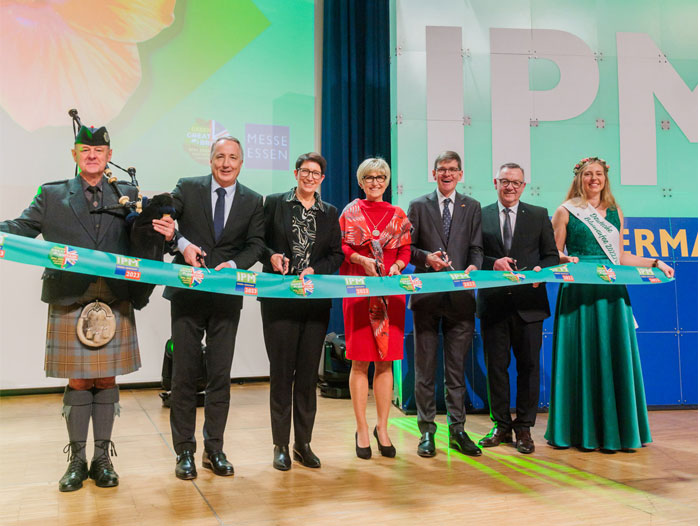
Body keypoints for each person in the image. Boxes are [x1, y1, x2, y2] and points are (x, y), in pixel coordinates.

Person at [0, 125, 174, 492]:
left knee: (107, 379)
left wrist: (169, 232)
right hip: (70, 298)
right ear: (74, 154)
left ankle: (102, 459)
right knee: (78, 380)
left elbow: (150, 237)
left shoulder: (128, 195)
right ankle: (77, 460)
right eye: (85, 149)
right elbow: (22, 226)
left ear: (109, 156)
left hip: (115, 297)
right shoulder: (52, 194)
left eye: (99, 150)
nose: (92, 155)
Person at [544, 157, 674, 451]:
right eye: (588, 174)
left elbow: (621, 256)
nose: (594, 179)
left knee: (612, 353)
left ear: (605, 178)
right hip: (579, 289)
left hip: (611, 290)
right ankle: (578, 432)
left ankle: (618, 432)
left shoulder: (615, 212)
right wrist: (565, 258)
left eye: (599, 174)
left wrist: (655, 262)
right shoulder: (566, 211)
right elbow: (553, 253)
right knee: (581, 355)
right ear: (579, 178)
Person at [164, 136, 264, 479]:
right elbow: (166, 222)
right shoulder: (187, 187)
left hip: (226, 299)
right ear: (210, 160)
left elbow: (256, 244)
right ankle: (184, 452)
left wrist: (235, 265)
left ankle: (214, 449)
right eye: (220, 156)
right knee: (184, 375)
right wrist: (182, 243)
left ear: (241, 163)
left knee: (220, 376)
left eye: (232, 157)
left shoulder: (253, 200)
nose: (226, 163)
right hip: (187, 295)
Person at [259, 152, 344, 471]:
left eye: (316, 173)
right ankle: (280, 444)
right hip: (279, 300)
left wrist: (315, 270)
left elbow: (336, 254)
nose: (310, 177)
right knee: (282, 374)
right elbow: (258, 243)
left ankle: (303, 444)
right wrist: (271, 257)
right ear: (296, 173)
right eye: (305, 171)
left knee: (308, 376)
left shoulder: (329, 212)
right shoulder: (274, 203)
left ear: (322, 179)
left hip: (314, 302)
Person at [476, 163, 559, 454]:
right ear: (495, 182)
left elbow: (551, 256)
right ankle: (500, 425)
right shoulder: (480, 214)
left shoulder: (538, 214)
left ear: (523, 186)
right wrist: (492, 263)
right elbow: (473, 255)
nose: (510, 187)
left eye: (516, 182)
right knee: (496, 368)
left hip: (530, 306)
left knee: (529, 368)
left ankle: (524, 428)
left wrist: (540, 271)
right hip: (494, 305)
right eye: (505, 181)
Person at [407, 151, 483, 458]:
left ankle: (457, 431)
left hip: (460, 299)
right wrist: (427, 258)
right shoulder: (418, 205)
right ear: (434, 174)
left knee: (456, 370)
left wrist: (475, 267)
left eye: (452, 169)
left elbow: (477, 248)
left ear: (460, 174)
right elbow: (408, 248)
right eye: (442, 169)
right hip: (427, 297)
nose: (447, 174)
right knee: (425, 371)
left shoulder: (472, 206)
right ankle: (427, 432)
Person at [339, 158, 411, 459]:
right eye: (369, 177)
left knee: (385, 362)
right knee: (360, 362)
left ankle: (383, 428)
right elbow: (342, 247)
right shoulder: (350, 212)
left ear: (387, 181)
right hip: (359, 291)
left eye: (381, 177)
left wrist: (397, 265)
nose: (375, 182)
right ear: (361, 181)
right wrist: (360, 260)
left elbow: (405, 249)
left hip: (391, 293)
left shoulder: (398, 214)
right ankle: (361, 429)